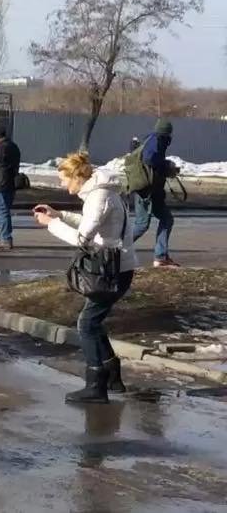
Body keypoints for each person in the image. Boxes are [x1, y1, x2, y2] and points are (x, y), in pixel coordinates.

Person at [33, 152, 136, 404]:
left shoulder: (99, 196)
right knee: (94, 321)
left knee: (86, 324)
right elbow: (91, 223)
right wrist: (60, 215)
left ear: (76, 177)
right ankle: (112, 376)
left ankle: (95, 386)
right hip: (117, 268)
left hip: (111, 271)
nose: (61, 185)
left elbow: (83, 239)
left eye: (62, 179)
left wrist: (50, 224)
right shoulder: (100, 192)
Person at [128, 119, 177, 268]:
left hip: (150, 190)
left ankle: (161, 256)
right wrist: (165, 165)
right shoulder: (157, 141)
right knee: (142, 224)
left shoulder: (151, 139)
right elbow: (150, 159)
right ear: (167, 132)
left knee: (166, 219)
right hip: (147, 191)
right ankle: (114, 248)